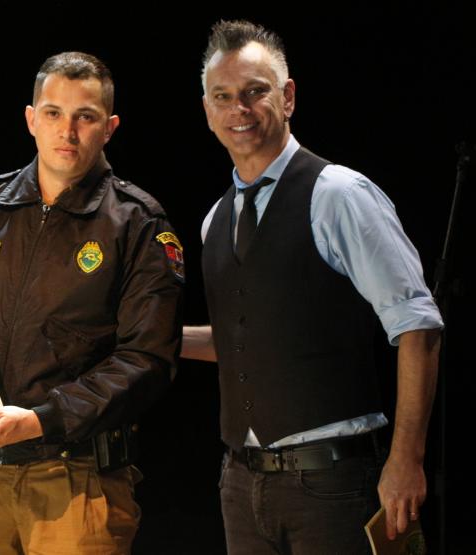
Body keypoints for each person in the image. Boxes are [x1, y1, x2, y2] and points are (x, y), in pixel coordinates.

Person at [180, 20, 443, 554]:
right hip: (241, 483)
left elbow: (417, 325)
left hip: (335, 483)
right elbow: (241, 341)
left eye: (256, 92)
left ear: (288, 96)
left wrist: (406, 459)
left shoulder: (338, 194)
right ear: (207, 110)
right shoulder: (215, 221)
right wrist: (142, 339)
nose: (241, 110)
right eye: (224, 97)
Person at [0, 51, 185, 554]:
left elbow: (147, 360)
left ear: (109, 127)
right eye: (53, 113)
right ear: (31, 119)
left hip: (75, 478)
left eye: (85, 117)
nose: (67, 131)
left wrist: (42, 418)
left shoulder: (138, 223)